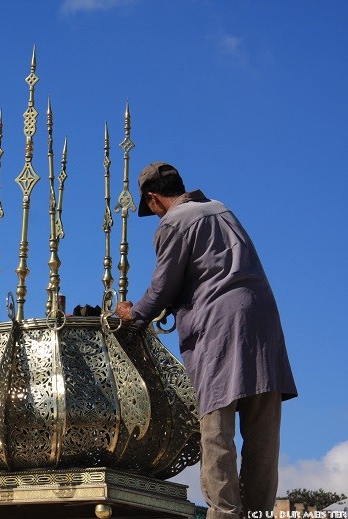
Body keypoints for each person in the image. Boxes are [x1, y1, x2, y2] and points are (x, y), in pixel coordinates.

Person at [115, 162, 297, 519]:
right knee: (263, 437)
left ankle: (225, 514)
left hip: (220, 328)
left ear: (154, 199)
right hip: (262, 325)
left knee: (216, 430)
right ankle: (258, 514)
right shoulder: (221, 209)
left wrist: (132, 315)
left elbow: (162, 286)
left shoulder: (174, 222)